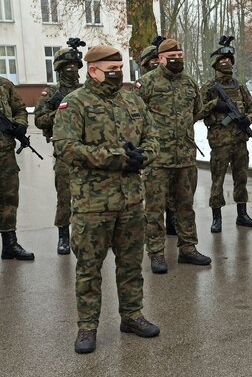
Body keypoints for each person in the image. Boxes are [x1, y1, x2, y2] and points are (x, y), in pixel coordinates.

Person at [52, 44, 161, 354]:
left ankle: (132, 315)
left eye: (119, 70)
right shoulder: (74, 104)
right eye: (110, 70)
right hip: (92, 205)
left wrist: (144, 156)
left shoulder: (133, 101)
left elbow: (151, 138)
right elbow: (66, 148)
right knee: (89, 268)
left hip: (129, 202)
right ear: (93, 70)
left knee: (130, 265)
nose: (116, 75)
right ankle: (87, 327)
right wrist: (116, 158)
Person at [135, 38, 211, 274]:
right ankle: (156, 253)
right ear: (160, 59)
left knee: (186, 206)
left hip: (186, 158)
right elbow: (133, 115)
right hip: (157, 159)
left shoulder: (189, 82)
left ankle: (188, 248)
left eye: (180, 55)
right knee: (155, 209)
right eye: (172, 57)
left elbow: (197, 111)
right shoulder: (146, 83)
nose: (177, 60)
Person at [201, 40, 252, 233]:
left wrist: (247, 120)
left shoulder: (238, 85)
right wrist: (215, 104)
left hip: (239, 140)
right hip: (220, 142)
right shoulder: (209, 87)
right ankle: (216, 217)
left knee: (241, 178)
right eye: (223, 59)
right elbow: (198, 112)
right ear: (216, 63)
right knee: (217, 180)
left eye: (229, 59)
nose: (226, 63)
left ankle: (242, 214)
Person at [34, 44, 84, 255]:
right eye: (68, 66)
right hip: (64, 152)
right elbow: (39, 120)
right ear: (60, 68)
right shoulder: (52, 93)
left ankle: (89, 234)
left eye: (75, 65)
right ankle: (63, 235)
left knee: (89, 196)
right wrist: (59, 114)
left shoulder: (85, 90)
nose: (72, 69)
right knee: (65, 196)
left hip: (86, 150)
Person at [138, 43, 176, 236]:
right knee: (153, 199)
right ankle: (154, 243)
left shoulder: (177, 81)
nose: (155, 64)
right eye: (151, 61)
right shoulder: (143, 85)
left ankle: (171, 223)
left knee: (174, 196)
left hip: (176, 150)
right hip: (152, 150)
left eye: (157, 60)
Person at [0, 77, 35, 261]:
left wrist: (20, 124)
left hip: (5, 154)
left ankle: (10, 245)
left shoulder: (4, 85)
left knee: (9, 198)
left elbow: (20, 109)